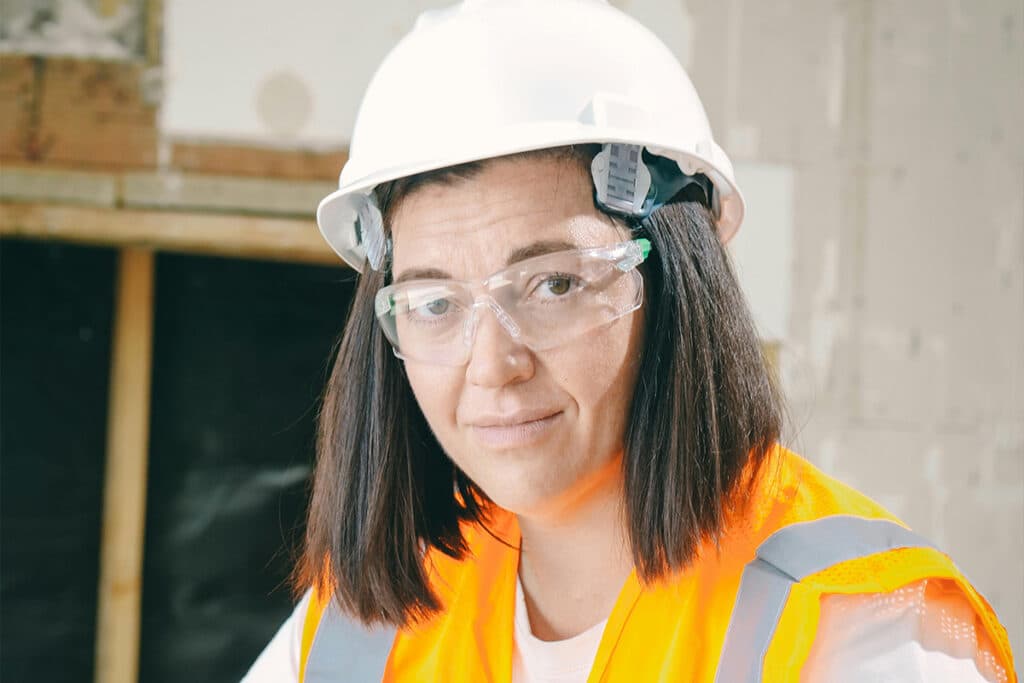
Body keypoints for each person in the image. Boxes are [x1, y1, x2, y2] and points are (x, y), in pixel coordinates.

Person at [243, 1, 1017, 681]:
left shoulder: (862, 624)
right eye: (436, 302)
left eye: (555, 284)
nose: (492, 366)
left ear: (681, 281)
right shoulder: (364, 628)